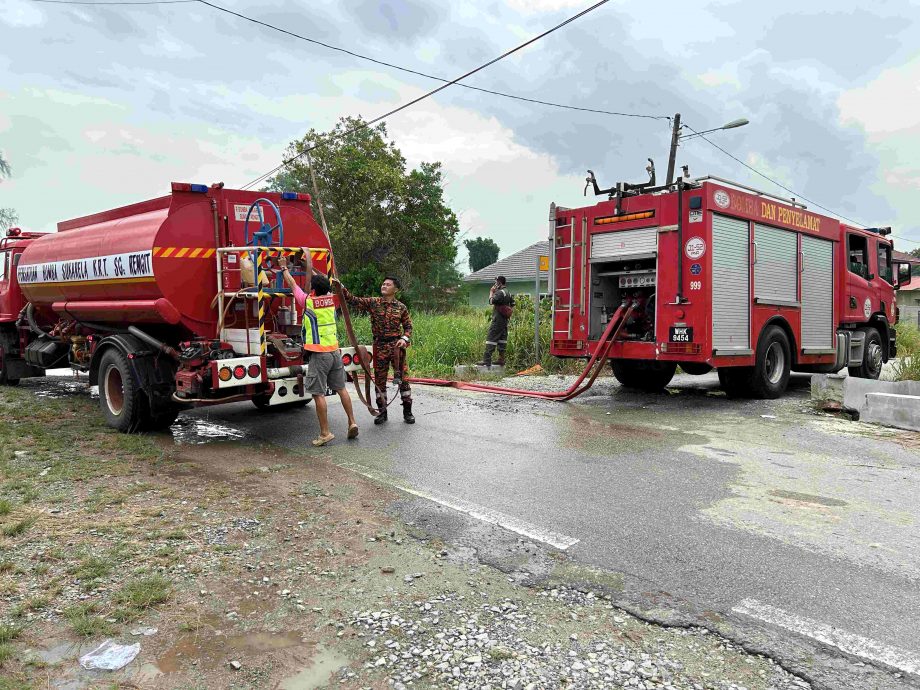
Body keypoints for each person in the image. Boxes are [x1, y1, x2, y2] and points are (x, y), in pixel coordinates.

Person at [278, 253, 359, 447]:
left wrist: (283, 268)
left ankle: (325, 433)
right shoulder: (331, 300)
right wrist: (311, 269)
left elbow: (292, 285)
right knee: (341, 389)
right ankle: (352, 422)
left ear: (313, 290)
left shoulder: (308, 302)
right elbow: (328, 283)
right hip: (334, 352)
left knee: (318, 393)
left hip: (319, 355)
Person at [332, 276, 414, 425]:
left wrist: (404, 338)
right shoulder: (373, 303)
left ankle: (407, 413)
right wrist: (340, 287)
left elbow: (408, 327)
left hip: (396, 348)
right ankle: (382, 413)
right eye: (383, 284)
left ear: (395, 289)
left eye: (388, 284)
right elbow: (353, 300)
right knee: (380, 381)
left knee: (404, 380)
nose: (384, 286)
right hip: (380, 347)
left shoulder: (401, 307)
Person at [478, 275, 512, 367]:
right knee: (502, 340)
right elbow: (512, 304)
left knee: (491, 339)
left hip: (497, 320)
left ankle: (486, 360)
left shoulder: (500, 292)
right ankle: (501, 359)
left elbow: (491, 301)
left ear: (499, 283)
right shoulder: (508, 292)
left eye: (496, 282)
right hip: (505, 321)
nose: (495, 284)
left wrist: (491, 292)